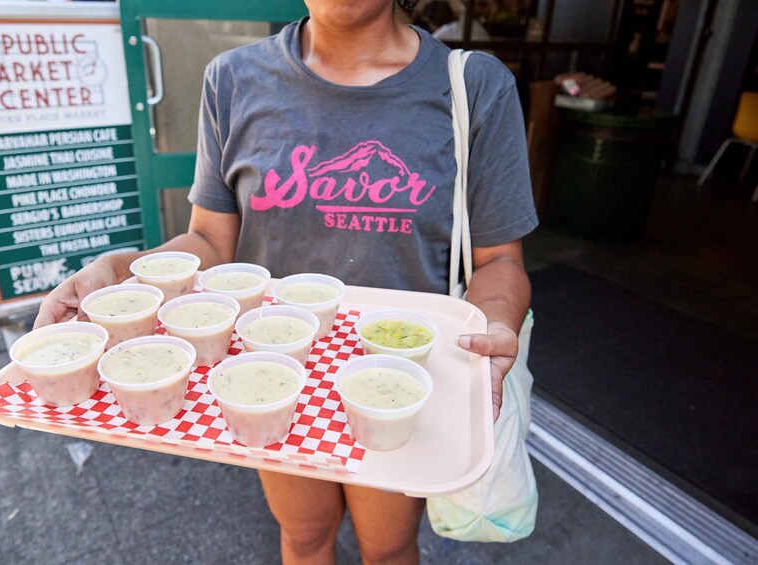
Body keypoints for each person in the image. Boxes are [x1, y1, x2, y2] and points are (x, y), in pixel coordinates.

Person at [36, 0, 538, 562]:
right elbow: (208, 242)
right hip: (273, 369)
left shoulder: (473, 86)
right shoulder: (232, 78)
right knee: (303, 534)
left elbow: (499, 260)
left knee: (388, 547)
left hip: (398, 373)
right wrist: (120, 271)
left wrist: (492, 326)